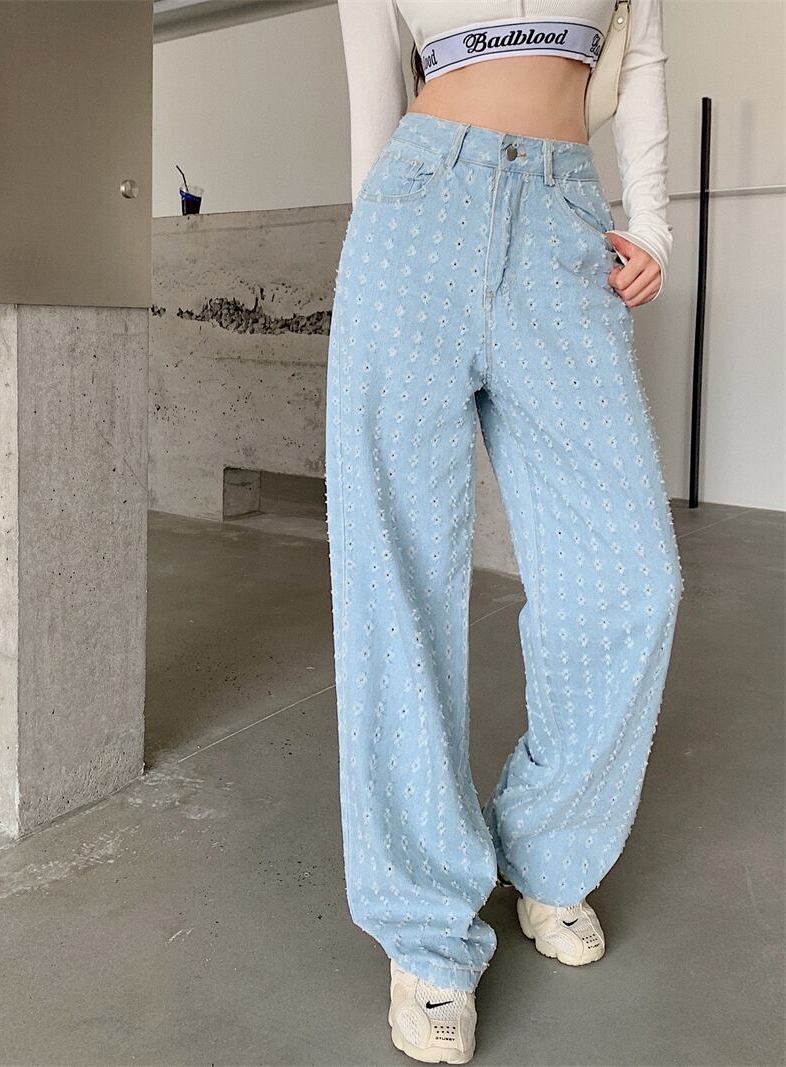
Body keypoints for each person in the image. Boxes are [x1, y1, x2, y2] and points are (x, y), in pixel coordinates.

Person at [325, 1, 684, 1061]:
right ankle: (426, 929)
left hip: (564, 213)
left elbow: (644, 49)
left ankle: (547, 846)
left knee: (632, 576)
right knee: (396, 573)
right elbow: (371, 93)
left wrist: (652, 221)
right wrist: (370, 246)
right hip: (413, 211)